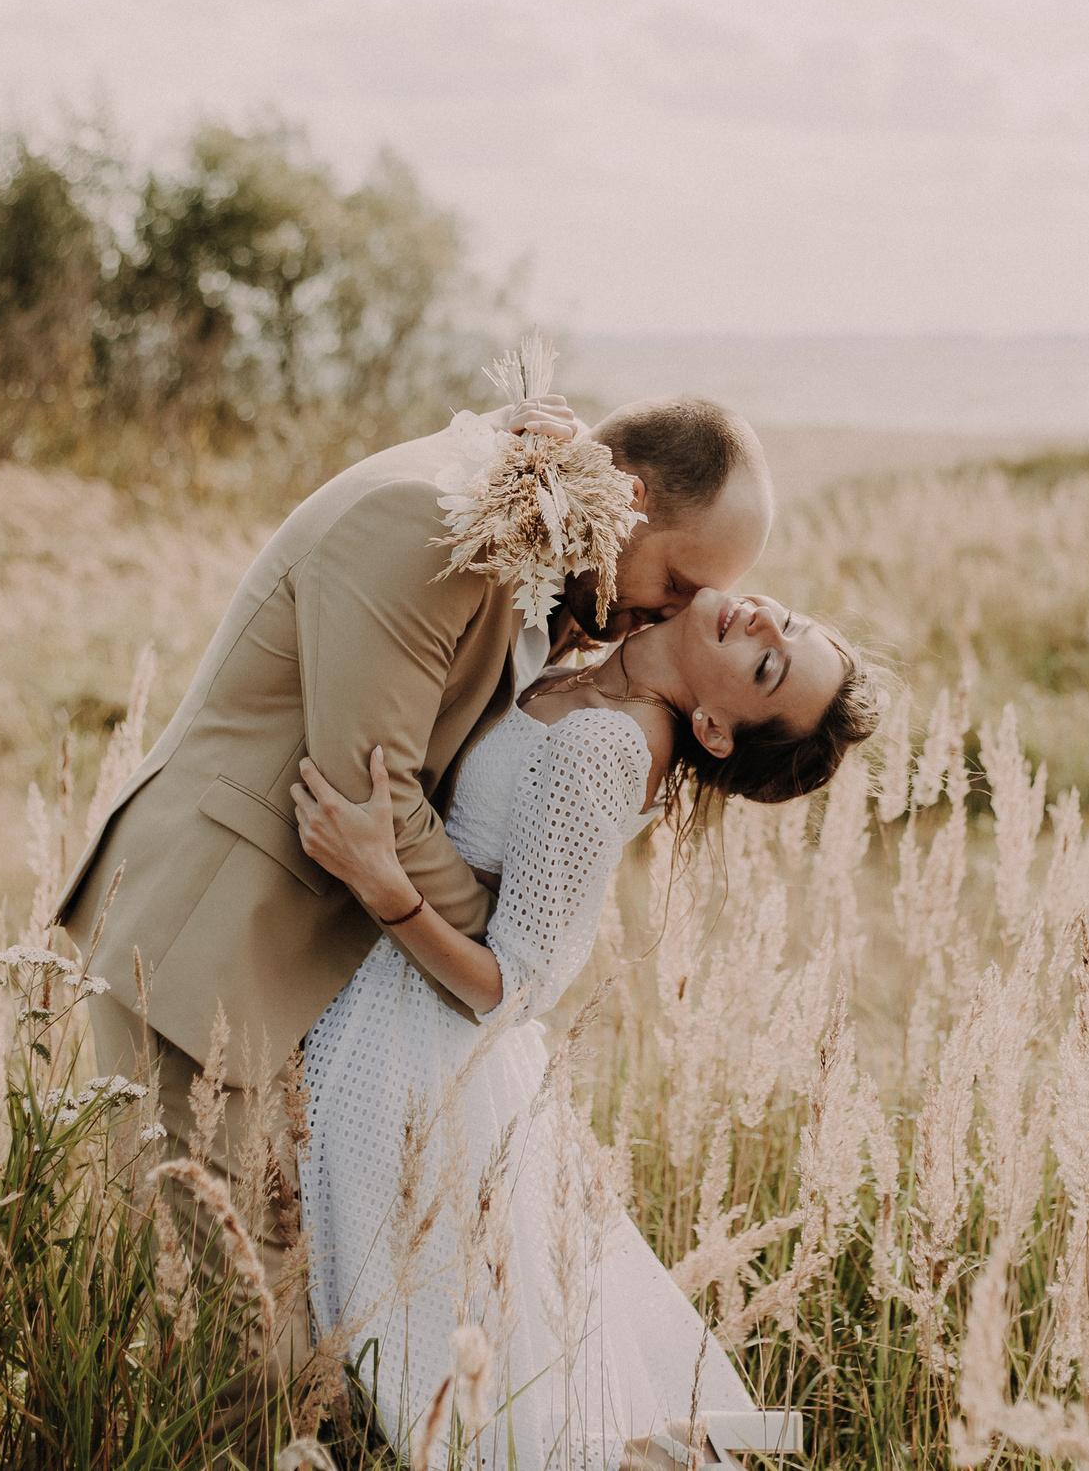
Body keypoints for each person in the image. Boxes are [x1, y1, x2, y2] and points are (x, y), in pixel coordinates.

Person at [53, 393, 776, 1367]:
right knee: (240, 1344)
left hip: (299, 973)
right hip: (210, 945)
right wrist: (493, 939)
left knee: (301, 1338)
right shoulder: (428, 522)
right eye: (680, 582)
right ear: (631, 502)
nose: (676, 616)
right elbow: (375, 800)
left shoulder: (546, 547)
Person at [291, 585, 882, 1468]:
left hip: (406, 1059)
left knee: (444, 1402)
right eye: (784, 622)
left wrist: (384, 884)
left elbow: (520, 986)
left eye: (767, 666)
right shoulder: (595, 667)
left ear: (716, 730)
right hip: (390, 1017)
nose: (762, 621)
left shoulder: (609, 745)